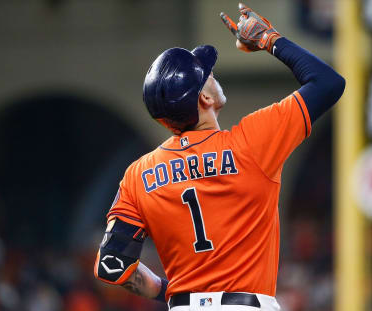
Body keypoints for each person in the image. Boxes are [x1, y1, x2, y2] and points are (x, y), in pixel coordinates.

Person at [94, 3, 345, 311]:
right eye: (208, 74)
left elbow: (111, 267)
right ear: (205, 98)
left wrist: (169, 293)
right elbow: (328, 82)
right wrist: (269, 39)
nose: (213, 74)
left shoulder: (138, 174)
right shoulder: (252, 143)